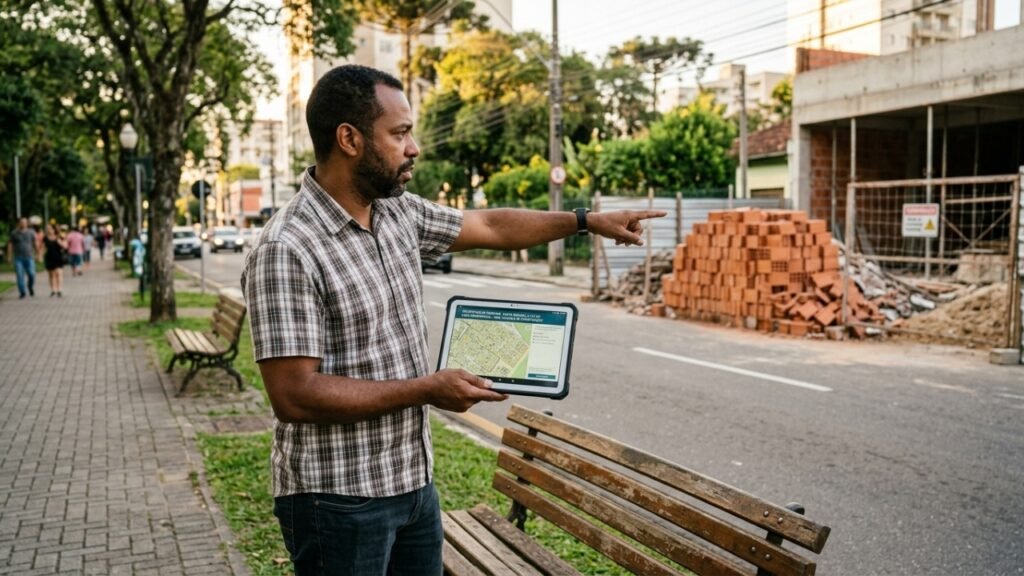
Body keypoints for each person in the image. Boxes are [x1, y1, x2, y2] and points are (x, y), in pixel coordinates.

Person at [240, 64, 664, 576]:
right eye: (399, 134)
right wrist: (426, 389)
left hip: (414, 482)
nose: (414, 147)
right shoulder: (287, 248)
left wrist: (583, 220)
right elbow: (295, 396)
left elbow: (489, 224)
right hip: (339, 499)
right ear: (349, 139)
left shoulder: (397, 212)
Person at [6, 218, 37, 299]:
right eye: (21, 222)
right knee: (20, 275)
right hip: (18, 258)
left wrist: (38, 253)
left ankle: (30, 287)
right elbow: (10, 244)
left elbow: (35, 242)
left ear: (27, 223)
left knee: (32, 274)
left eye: (24, 222)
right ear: (19, 223)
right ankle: (22, 292)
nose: (23, 224)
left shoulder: (31, 232)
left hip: (29, 257)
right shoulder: (14, 233)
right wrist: (9, 256)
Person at [42, 224, 67, 297]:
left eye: (50, 229)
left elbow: (65, 246)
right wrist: (40, 256)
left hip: (58, 257)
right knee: (51, 275)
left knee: (59, 273)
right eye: (48, 229)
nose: (49, 230)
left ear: (54, 230)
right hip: (49, 258)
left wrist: (59, 242)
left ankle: (60, 290)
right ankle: (53, 290)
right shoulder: (45, 238)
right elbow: (43, 248)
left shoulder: (60, 237)